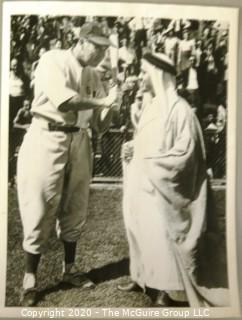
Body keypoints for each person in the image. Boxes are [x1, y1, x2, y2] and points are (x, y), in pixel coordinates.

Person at [17, 21, 117, 307]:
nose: (101, 54)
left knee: (76, 206)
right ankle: (30, 279)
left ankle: (69, 270)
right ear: (82, 41)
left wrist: (113, 105)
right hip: (47, 136)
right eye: (97, 47)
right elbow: (64, 102)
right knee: (40, 205)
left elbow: (100, 126)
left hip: (80, 140)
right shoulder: (53, 59)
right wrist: (101, 102)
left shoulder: (96, 76)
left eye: (104, 49)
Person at [118, 52, 229, 307]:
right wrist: (132, 147)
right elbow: (146, 142)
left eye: (145, 72)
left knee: (158, 233)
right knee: (138, 228)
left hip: (161, 188)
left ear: (159, 75)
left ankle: (164, 291)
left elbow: (187, 155)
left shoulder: (180, 111)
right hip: (142, 183)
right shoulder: (152, 106)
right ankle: (142, 277)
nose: (141, 77)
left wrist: (151, 163)